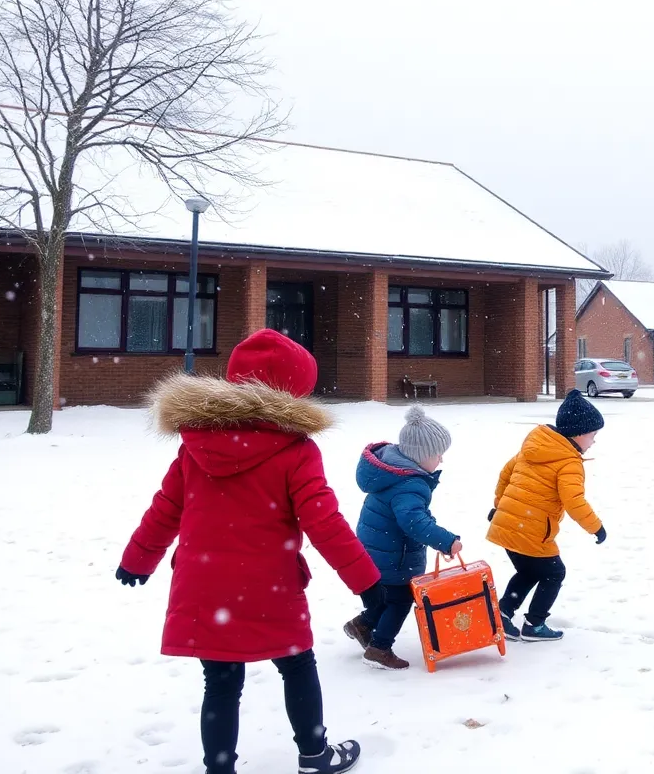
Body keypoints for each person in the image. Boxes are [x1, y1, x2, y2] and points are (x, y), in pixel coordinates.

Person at [115, 329, 380, 774]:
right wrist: (367, 582)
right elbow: (324, 522)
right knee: (297, 665)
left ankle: (219, 768)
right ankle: (314, 756)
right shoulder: (295, 450)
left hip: (204, 587)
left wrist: (137, 558)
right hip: (270, 586)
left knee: (219, 682)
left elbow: (167, 507)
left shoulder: (196, 443)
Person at [343, 405, 462, 670]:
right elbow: (414, 523)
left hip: (376, 550)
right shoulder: (410, 484)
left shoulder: (392, 471)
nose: (441, 460)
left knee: (385, 597)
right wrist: (446, 540)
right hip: (393, 556)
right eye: (437, 455)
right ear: (420, 456)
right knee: (399, 600)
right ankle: (379, 648)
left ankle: (362, 625)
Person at [486, 389, 608, 642]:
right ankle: (535, 623)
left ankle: (503, 613)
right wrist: (596, 527)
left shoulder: (534, 447)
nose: (594, 441)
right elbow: (574, 501)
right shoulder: (568, 461)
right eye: (593, 435)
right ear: (579, 433)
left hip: (509, 524)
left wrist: (500, 506)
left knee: (529, 572)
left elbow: (504, 475)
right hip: (532, 530)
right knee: (554, 573)